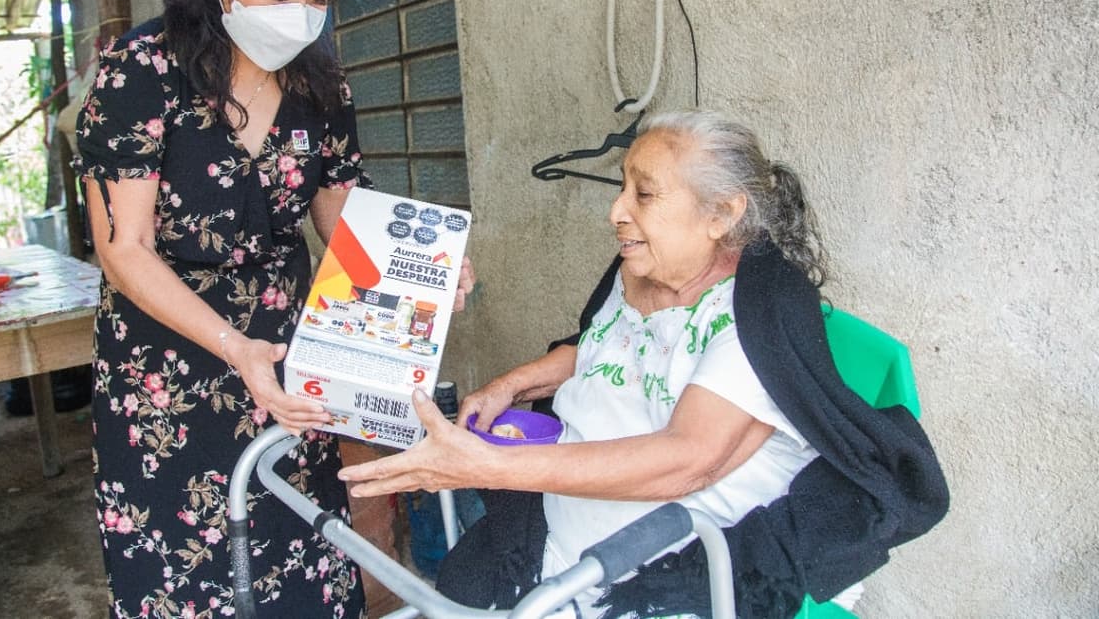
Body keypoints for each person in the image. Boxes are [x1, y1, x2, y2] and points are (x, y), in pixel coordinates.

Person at [339, 110, 948, 618]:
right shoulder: (642, 268)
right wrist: (510, 385)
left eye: (645, 194)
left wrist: (492, 466)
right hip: (562, 533)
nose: (617, 212)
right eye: (623, 188)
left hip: (655, 568)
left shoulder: (758, 314)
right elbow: (608, 347)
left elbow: (687, 460)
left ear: (721, 215)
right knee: (460, 585)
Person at [76, 0, 472, 619]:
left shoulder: (320, 80)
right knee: (189, 573)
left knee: (303, 544)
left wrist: (418, 270)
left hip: (290, 358)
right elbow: (124, 248)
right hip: (170, 367)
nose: (299, 14)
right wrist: (234, 348)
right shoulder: (142, 74)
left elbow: (338, 208)